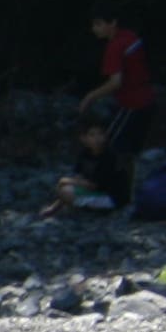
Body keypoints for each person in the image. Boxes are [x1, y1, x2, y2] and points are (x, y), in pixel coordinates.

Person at [54, 13, 154, 212]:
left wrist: (90, 97)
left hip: (132, 103)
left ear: (113, 23)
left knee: (112, 145)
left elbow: (115, 82)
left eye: (99, 24)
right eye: (94, 25)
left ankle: (116, 195)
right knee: (129, 150)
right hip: (147, 100)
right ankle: (128, 196)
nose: (95, 29)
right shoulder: (131, 38)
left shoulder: (115, 46)